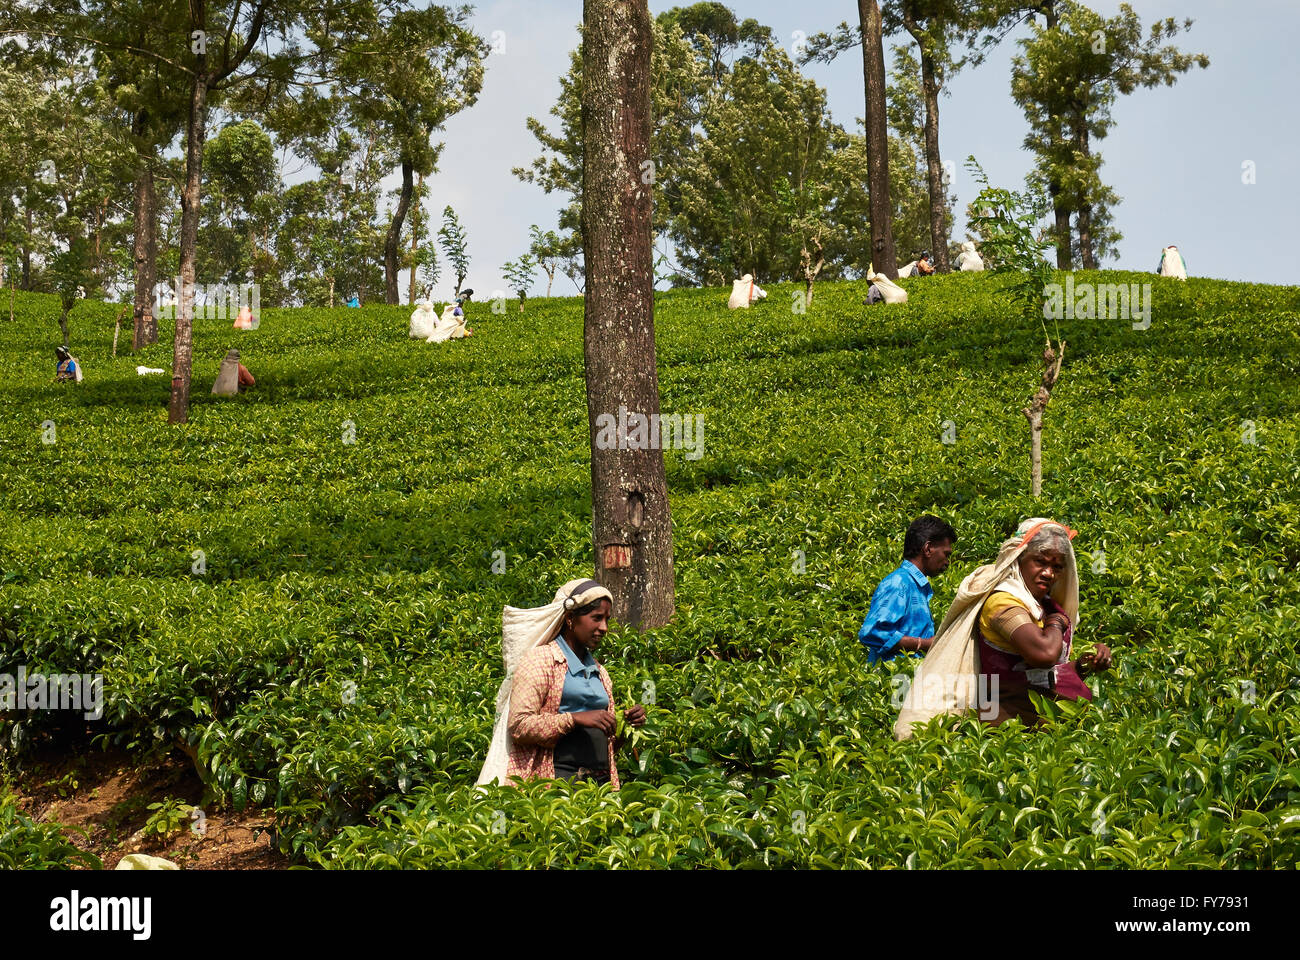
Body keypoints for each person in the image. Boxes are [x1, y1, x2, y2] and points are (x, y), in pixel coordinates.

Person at [892, 518, 1113, 738]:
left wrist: (1084, 664)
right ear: (1019, 559)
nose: (1049, 573)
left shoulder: (1040, 604)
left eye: (1056, 567)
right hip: (1007, 730)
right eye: (1040, 562)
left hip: (1042, 726)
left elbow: (1042, 674)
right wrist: (1057, 621)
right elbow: (1044, 654)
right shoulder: (1002, 603)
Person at [476, 579, 646, 788]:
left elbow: (609, 744)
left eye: (607, 620)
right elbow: (519, 726)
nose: (604, 628)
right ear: (570, 619)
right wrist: (574, 719)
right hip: (557, 781)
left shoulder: (600, 672)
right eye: (596, 618)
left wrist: (626, 725)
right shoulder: (541, 661)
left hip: (602, 784)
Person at [859, 515, 956, 664]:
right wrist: (923, 644)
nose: (947, 562)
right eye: (946, 554)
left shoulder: (915, 586)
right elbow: (871, 633)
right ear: (928, 549)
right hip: (892, 683)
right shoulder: (899, 583)